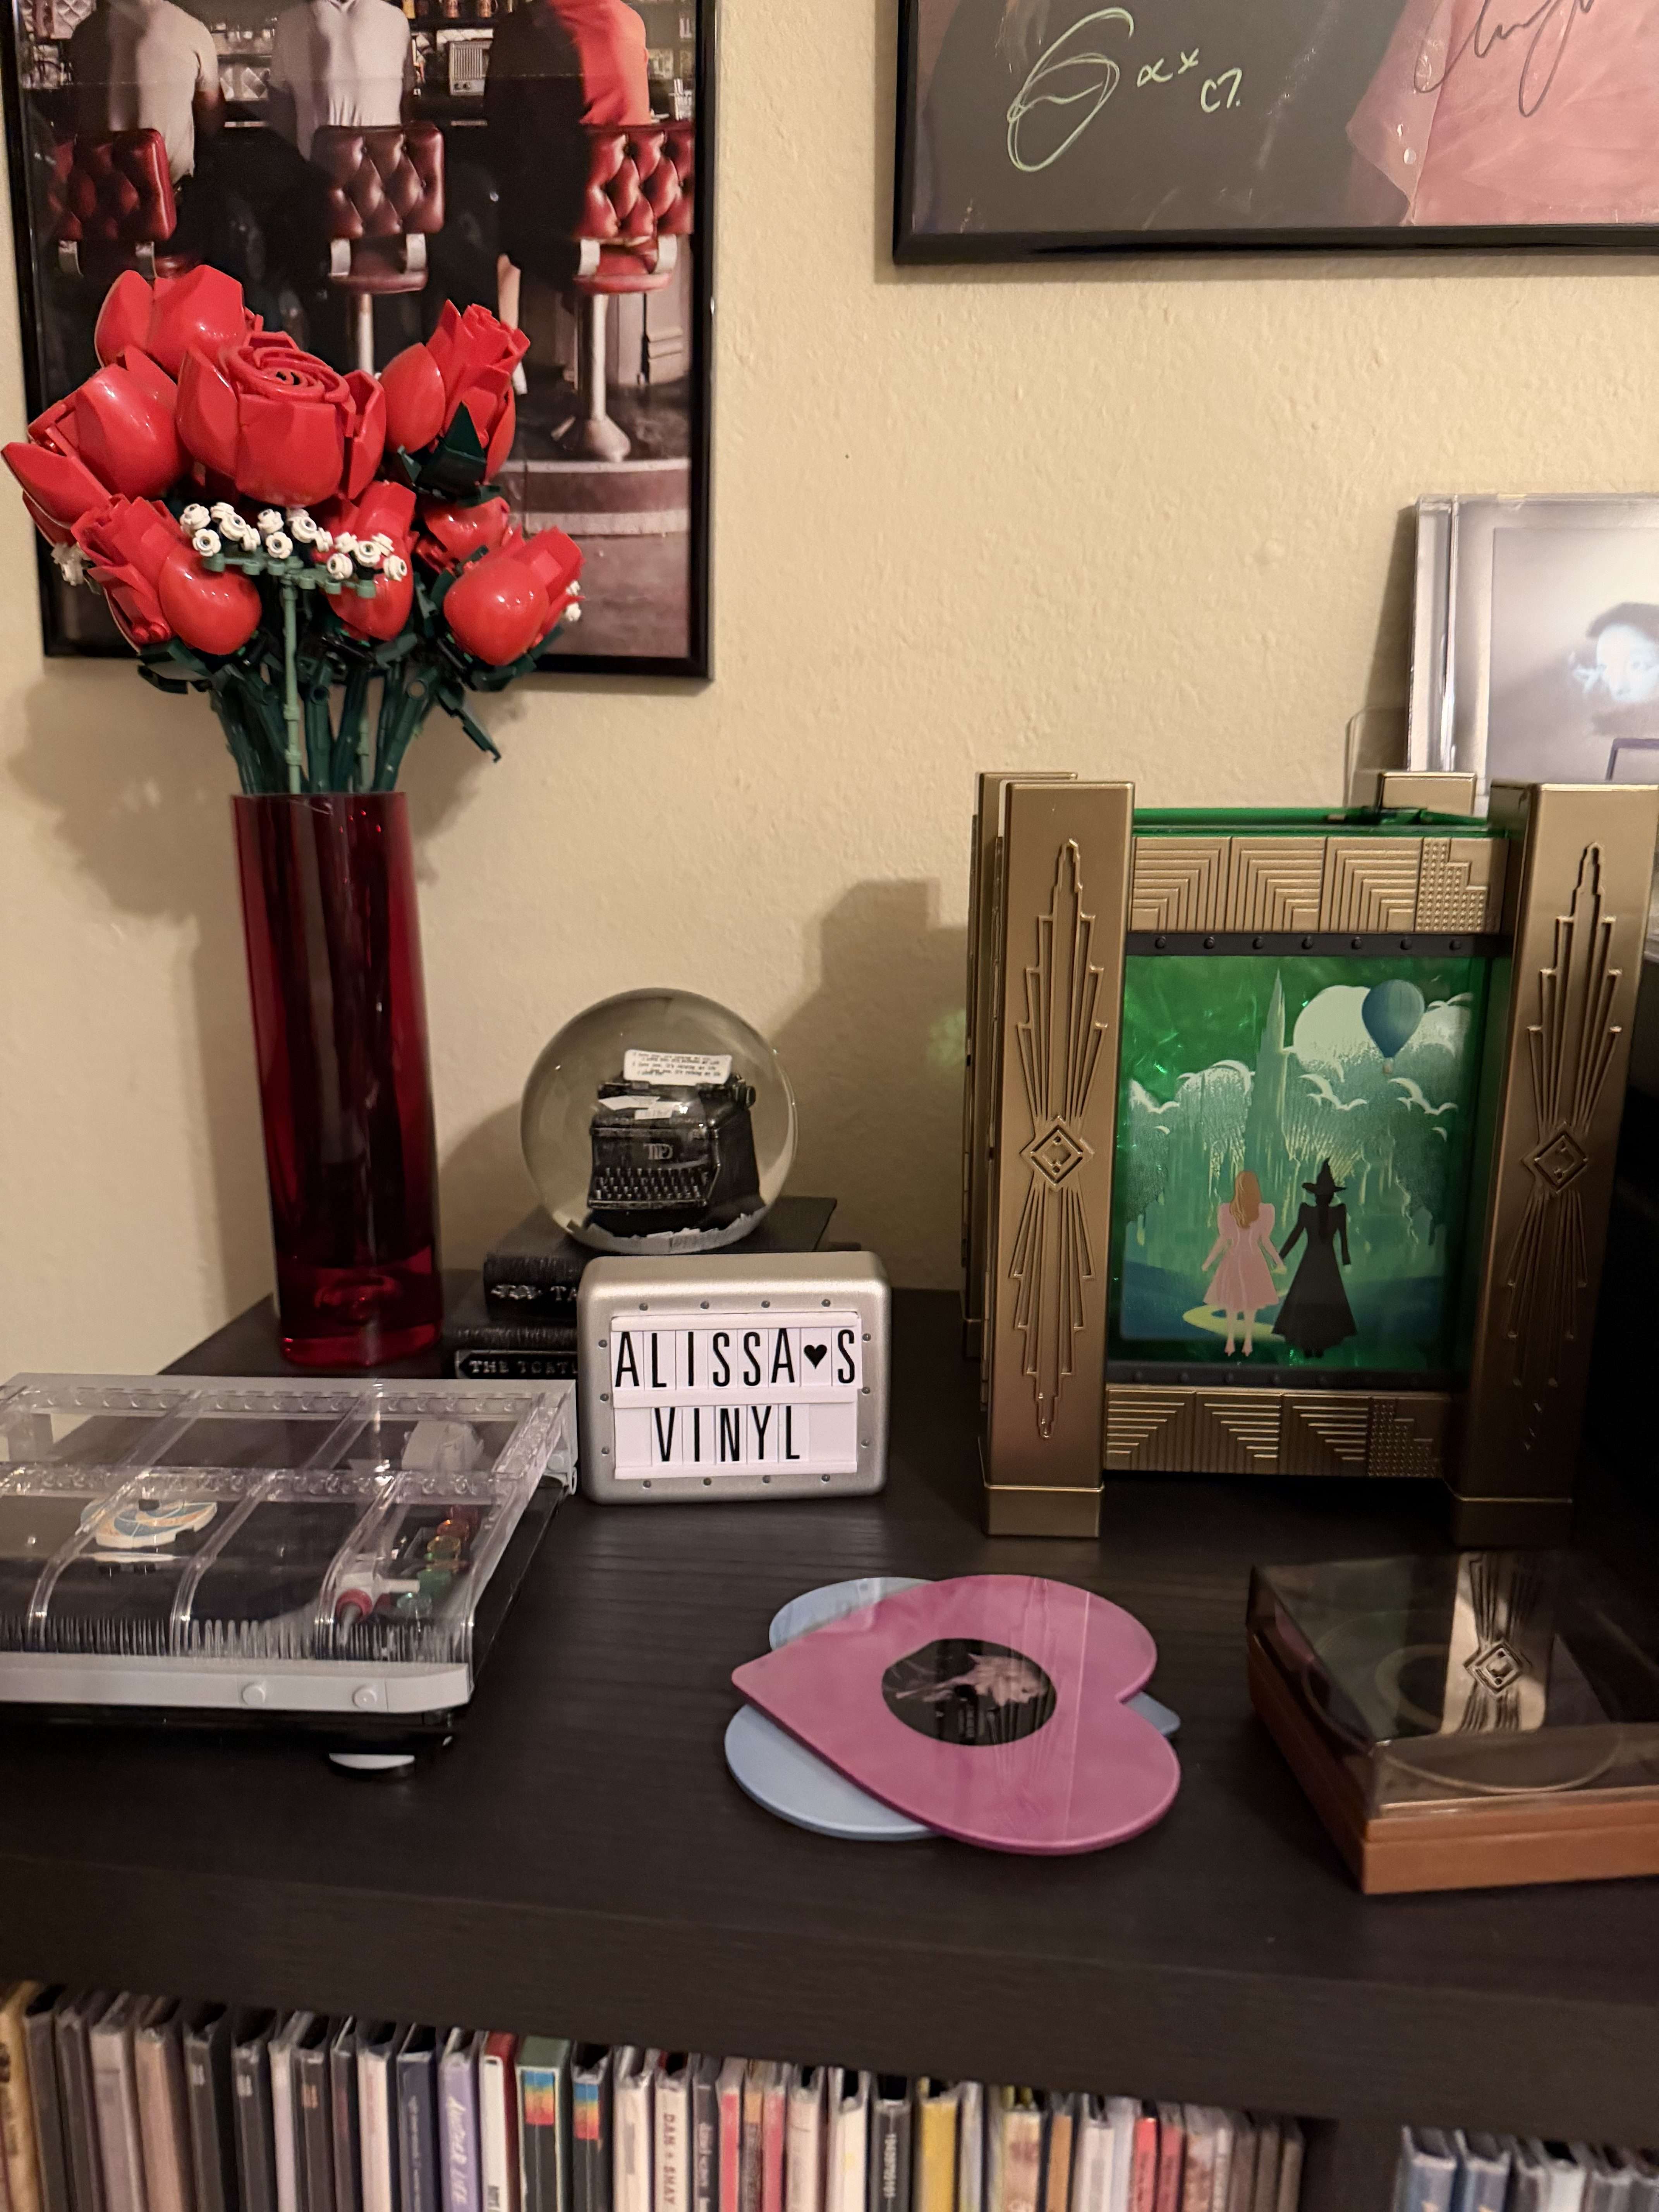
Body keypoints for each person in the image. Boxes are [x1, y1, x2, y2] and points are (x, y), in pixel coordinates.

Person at [483, 0, 651, 371]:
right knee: (594, 222)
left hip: (572, 221)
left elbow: (498, 119)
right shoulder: (630, 20)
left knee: (495, 232)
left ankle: (506, 375)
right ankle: (585, 375)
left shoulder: (525, 25)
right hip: (638, 220)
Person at [67, 0, 222, 189]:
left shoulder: (85, 32)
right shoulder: (193, 30)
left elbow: (77, 108)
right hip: (166, 194)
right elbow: (212, 122)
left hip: (101, 194)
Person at [266, 0, 413, 163]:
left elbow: (280, 110)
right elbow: (407, 104)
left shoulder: (290, 21)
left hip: (319, 167)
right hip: (387, 166)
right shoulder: (396, 18)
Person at [1274, 1160, 1356, 1359]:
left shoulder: (1333, 1213)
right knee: (1313, 1301)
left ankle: (1317, 1346)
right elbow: (1296, 1234)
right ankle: (1312, 1346)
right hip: (1320, 1262)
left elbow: (1343, 1238)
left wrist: (1346, 1259)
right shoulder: (1315, 1213)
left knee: (1319, 1301)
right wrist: (1281, 1255)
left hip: (1318, 1262)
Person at [1202, 1168, 1282, 1359]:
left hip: (1234, 1259)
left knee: (1233, 1302)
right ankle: (1246, 1341)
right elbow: (1265, 1241)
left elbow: (1223, 1241)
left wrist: (1208, 1263)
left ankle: (1231, 1341)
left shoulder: (1227, 1211)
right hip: (1253, 1260)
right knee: (1249, 1304)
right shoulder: (1264, 1211)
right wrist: (1278, 1261)